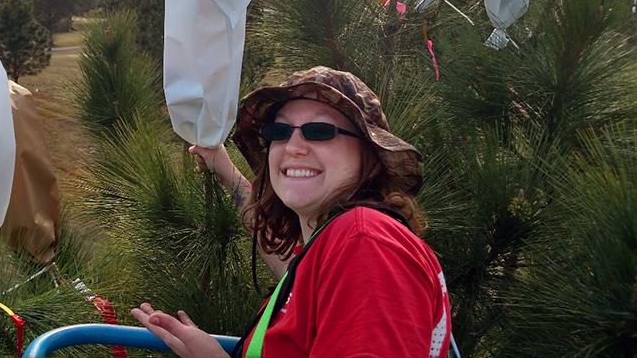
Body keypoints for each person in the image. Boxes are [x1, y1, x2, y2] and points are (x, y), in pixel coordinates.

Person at [131, 67, 452, 357]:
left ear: (370, 158)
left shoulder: (364, 241)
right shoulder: (335, 245)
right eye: (279, 134)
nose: (293, 146)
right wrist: (225, 170)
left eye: (320, 132)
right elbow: (292, 269)